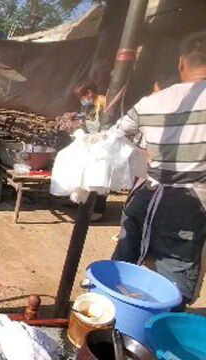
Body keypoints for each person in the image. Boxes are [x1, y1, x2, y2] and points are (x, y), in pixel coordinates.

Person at [112, 30, 206, 308]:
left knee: (125, 267)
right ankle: (158, 334)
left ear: (181, 63)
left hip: (146, 195)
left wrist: (145, 155)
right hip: (189, 206)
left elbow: (116, 136)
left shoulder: (149, 103)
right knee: (174, 280)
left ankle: (120, 323)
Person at [72, 79, 108, 221]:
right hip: (92, 144)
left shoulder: (106, 103)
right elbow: (87, 120)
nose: (82, 100)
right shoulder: (90, 106)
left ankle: (99, 210)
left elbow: (109, 125)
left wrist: (100, 137)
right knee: (88, 176)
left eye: (82, 97)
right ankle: (85, 205)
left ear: (89, 93)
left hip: (104, 145)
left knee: (101, 178)